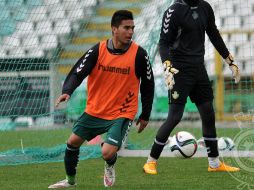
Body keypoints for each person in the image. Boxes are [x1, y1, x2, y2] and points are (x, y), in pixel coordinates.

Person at [48, 10, 154, 188]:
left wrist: (145, 115)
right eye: (126, 28)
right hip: (95, 110)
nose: (130, 32)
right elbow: (77, 72)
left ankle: (110, 165)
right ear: (114, 29)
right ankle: (70, 181)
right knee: (72, 142)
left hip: (122, 112)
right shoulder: (98, 50)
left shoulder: (139, 54)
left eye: (132, 28)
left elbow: (148, 85)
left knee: (107, 152)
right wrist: (67, 90)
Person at [143, 0, 240, 175]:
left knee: (208, 113)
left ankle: (214, 163)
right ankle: (150, 162)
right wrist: (167, 66)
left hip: (199, 69)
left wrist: (229, 59)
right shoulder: (173, 11)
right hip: (179, 70)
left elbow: (214, 34)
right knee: (175, 117)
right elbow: (163, 43)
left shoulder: (205, 7)